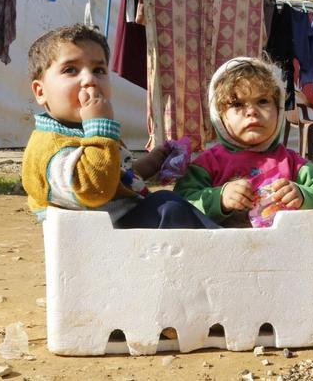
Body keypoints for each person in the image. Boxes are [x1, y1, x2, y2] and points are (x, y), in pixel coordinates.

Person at [21, 24, 218, 229]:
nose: (90, 80)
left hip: (121, 229)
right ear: (40, 91)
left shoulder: (84, 133)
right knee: (168, 208)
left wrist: (151, 163)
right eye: (70, 70)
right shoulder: (49, 148)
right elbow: (95, 189)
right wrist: (99, 127)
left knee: (172, 205)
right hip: (99, 240)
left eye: (98, 70)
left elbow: (116, 179)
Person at [174, 57, 313, 226]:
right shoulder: (206, 165)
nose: (252, 111)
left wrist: (303, 196)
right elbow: (180, 204)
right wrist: (219, 198)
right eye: (237, 104)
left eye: (262, 101)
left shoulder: (292, 163)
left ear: (279, 109)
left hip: (280, 249)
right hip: (222, 250)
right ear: (220, 117)